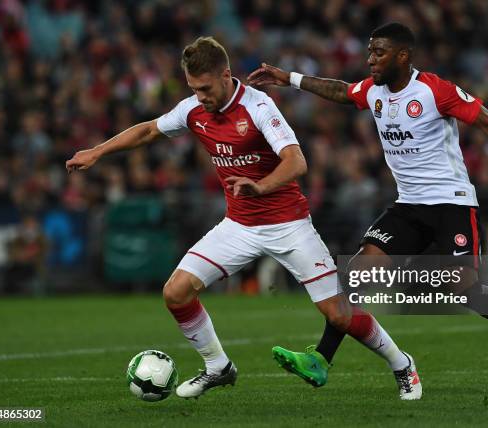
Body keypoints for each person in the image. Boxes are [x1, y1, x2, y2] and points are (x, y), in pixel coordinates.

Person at [66, 36, 422, 400]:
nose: (200, 96)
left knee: (339, 314)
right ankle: (218, 367)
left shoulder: (258, 107)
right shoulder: (193, 110)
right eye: (193, 88)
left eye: (205, 88)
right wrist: (98, 151)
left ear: (226, 75)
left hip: (289, 226)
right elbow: (148, 130)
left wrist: (260, 186)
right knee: (175, 292)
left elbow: (297, 161)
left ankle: (401, 364)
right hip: (239, 226)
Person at [248, 22, 488, 387]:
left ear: (402, 55)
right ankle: (320, 359)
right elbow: (340, 91)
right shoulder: (374, 92)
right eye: (369, 52)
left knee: (465, 290)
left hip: (451, 204)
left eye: (378, 53)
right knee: (356, 274)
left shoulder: (434, 90)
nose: (370, 60)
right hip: (408, 205)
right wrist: (290, 78)